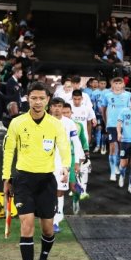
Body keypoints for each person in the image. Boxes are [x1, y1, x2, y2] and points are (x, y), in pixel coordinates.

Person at [2, 82, 71, 260]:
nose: (38, 102)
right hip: (23, 180)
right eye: (34, 98)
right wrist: (6, 177)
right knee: (26, 226)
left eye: (42, 98)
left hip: (46, 181)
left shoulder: (56, 124)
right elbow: (8, 151)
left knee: (48, 229)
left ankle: (43, 258)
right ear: (27, 99)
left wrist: (66, 166)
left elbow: (64, 147)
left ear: (47, 100)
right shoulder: (17, 123)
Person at [48, 97, 82, 233]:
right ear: (50, 107)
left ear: (63, 108)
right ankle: (47, 217)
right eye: (54, 106)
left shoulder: (69, 123)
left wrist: (77, 161)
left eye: (59, 106)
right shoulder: (45, 121)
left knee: (60, 191)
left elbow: (76, 142)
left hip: (63, 163)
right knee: (46, 192)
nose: (57, 108)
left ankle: (56, 220)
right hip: (45, 162)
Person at [101, 77, 131, 182]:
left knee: (121, 147)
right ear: (112, 84)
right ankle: (112, 172)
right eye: (116, 83)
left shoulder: (128, 95)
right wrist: (106, 123)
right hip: (112, 125)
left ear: (123, 84)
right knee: (113, 147)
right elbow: (103, 109)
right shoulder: (107, 95)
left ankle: (118, 165)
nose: (118, 85)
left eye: (120, 83)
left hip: (124, 126)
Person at [116, 95, 131, 189]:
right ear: (130, 102)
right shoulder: (124, 111)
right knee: (123, 164)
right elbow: (118, 123)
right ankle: (122, 176)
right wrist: (118, 133)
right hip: (125, 141)